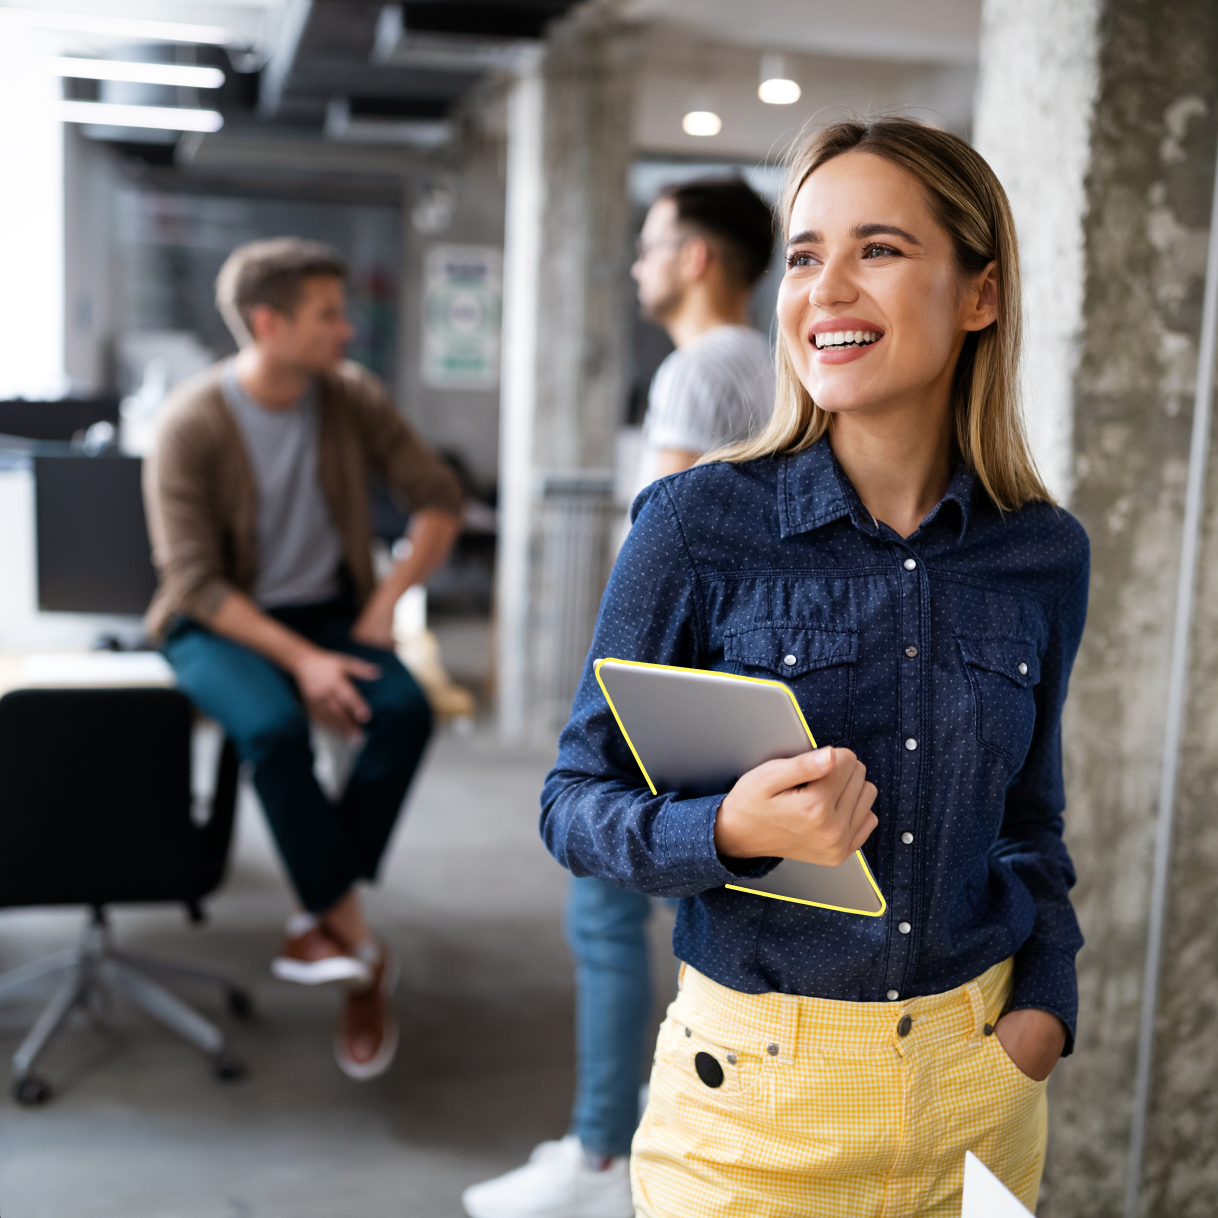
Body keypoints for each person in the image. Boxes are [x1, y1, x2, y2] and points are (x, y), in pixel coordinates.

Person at [539, 116, 1089, 1217]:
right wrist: (729, 832)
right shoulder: (695, 526)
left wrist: (1046, 1009)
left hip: (978, 1090)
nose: (825, 288)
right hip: (752, 1106)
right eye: (803, 256)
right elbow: (570, 803)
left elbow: (1030, 822)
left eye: (877, 250)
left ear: (979, 293)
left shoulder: (1042, 552)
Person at [461, 179, 775, 1218]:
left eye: (650, 245)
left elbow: (658, 555)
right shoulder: (767, 368)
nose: (637, 265)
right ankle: (655, 1135)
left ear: (699, 258)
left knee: (604, 907)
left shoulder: (698, 372)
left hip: (678, 684)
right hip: (744, 674)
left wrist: (613, 691)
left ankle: (605, 1151)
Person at [144, 238, 463, 1081]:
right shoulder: (189, 423)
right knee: (274, 728)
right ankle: (354, 941)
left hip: (331, 610)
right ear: (267, 322)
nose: (346, 330)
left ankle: (321, 910)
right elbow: (195, 583)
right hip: (213, 623)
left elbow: (438, 500)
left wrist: (383, 603)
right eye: (328, 314)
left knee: (405, 710)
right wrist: (304, 662)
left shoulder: (349, 398)